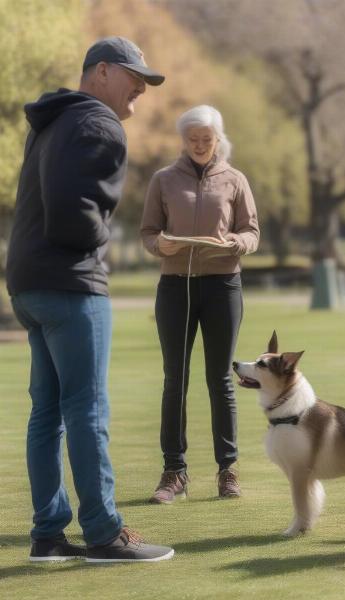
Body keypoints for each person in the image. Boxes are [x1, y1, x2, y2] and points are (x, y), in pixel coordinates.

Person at [6, 36, 174, 563]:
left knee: (48, 413)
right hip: (72, 284)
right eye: (133, 77)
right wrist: (96, 241)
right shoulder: (99, 123)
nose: (139, 91)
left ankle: (49, 535)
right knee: (87, 411)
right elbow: (71, 209)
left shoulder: (51, 122)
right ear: (100, 71)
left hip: (29, 284)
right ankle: (103, 534)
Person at [140, 105, 259, 503]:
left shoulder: (235, 180)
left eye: (207, 140)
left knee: (220, 380)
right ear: (183, 140)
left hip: (223, 285)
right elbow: (148, 231)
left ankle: (228, 471)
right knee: (175, 379)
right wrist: (160, 244)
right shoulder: (163, 180)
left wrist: (237, 243)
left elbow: (251, 231)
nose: (200, 146)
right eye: (193, 140)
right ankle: (174, 471)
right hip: (175, 287)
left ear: (218, 139)